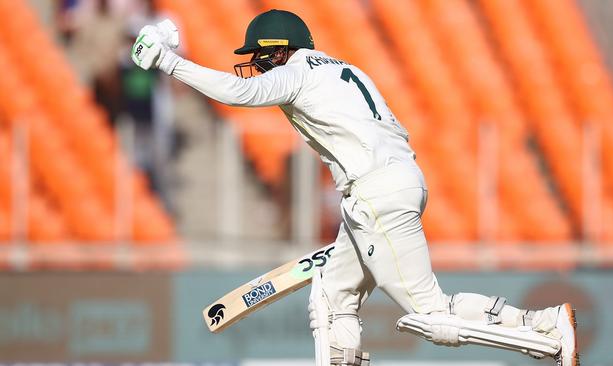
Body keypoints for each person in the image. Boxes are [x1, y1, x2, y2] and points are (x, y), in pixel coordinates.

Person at [131, 10, 578, 366]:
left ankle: (543, 332)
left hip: (374, 194)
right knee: (332, 294)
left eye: (262, 58)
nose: (257, 67)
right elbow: (397, 130)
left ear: (279, 51)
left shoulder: (299, 70)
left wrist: (171, 63)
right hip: (394, 182)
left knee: (430, 315)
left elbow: (237, 93)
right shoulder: (347, 69)